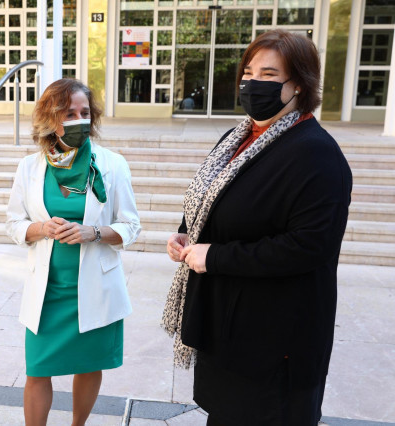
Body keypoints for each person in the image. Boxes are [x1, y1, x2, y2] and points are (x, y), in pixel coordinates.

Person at [162, 30, 352, 426]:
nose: (252, 83)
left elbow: (308, 246)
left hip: (274, 339)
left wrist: (214, 255)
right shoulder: (239, 136)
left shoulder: (316, 154)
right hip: (228, 328)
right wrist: (188, 232)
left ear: (299, 84)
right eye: (248, 72)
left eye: (268, 74)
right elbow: (215, 199)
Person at [6, 78, 141, 426]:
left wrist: (92, 232)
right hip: (48, 291)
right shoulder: (29, 167)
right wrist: (40, 229)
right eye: (69, 113)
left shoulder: (112, 164)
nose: (79, 119)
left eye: (84, 112)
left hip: (94, 289)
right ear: (51, 118)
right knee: (37, 370)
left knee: (88, 364)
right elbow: (14, 223)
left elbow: (131, 226)